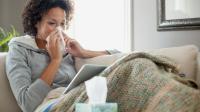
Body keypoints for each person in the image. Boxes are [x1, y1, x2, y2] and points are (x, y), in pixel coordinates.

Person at [5, 0, 118, 112]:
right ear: (36, 22)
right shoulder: (19, 49)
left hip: (79, 100)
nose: (58, 30)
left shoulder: (68, 49)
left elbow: (119, 55)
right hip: (53, 105)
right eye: (52, 23)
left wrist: (83, 53)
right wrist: (55, 60)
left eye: (62, 24)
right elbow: (27, 104)